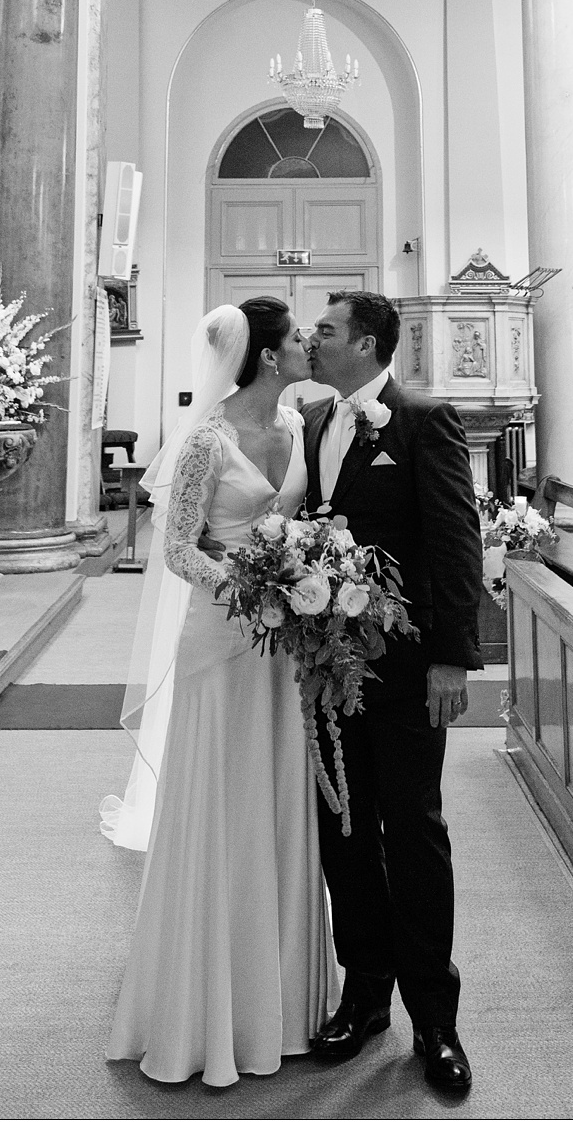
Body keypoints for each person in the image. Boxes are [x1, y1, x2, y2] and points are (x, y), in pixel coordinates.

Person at [104, 299, 339, 1088]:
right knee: (221, 798)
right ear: (268, 357)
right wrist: (253, 587)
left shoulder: (300, 427)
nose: (310, 345)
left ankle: (282, 1000)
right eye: (300, 338)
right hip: (223, 635)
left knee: (276, 797)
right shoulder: (208, 440)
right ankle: (203, 1006)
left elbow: (305, 520)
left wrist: (305, 578)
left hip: (287, 643)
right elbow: (177, 548)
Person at [301, 291, 483, 1097]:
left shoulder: (421, 420)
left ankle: (435, 1021)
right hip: (330, 666)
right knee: (343, 828)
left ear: (368, 343)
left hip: (408, 666)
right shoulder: (316, 424)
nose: (313, 340)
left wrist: (453, 659)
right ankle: (365, 993)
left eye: (328, 331)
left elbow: (454, 541)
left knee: (412, 830)